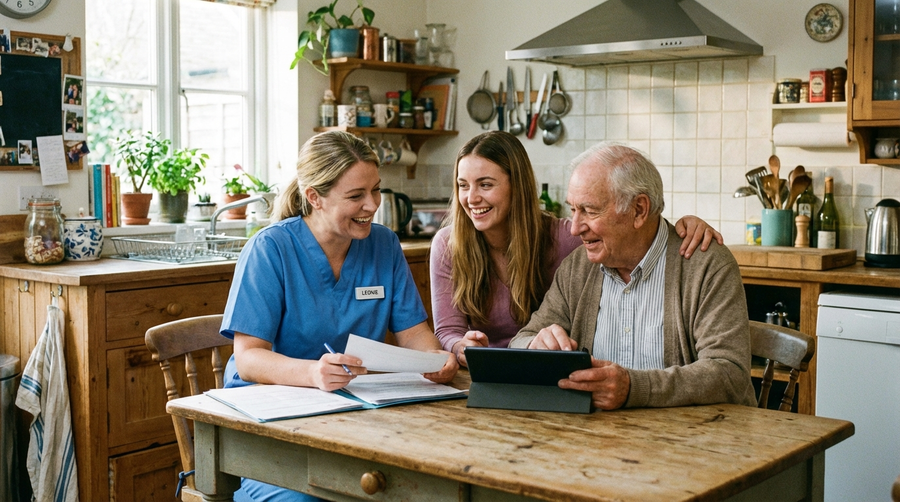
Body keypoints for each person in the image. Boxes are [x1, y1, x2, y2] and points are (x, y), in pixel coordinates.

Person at [220, 130, 457, 501]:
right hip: (271, 427)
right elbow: (249, 358)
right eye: (356, 195)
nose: (372, 205)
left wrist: (435, 360)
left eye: (376, 190)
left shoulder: (384, 244)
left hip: (356, 417)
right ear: (314, 197)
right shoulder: (270, 249)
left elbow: (413, 333)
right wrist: (313, 373)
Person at [430, 131, 723, 366]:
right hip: (490, 375)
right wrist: (467, 346)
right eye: (463, 185)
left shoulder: (567, 242)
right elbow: (451, 331)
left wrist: (684, 226)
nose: (471, 197)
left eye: (485, 184)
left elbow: (640, 230)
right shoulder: (448, 245)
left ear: (517, 187)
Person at [508, 142, 756, 411]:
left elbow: (730, 373)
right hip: (594, 434)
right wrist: (534, 345)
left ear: (639, 210)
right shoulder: (577, 267)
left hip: (693, 433)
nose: (575, 228)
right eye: (573, 209)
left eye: (589, 210)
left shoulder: (706, 264)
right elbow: (520, 341)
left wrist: (634, 388)